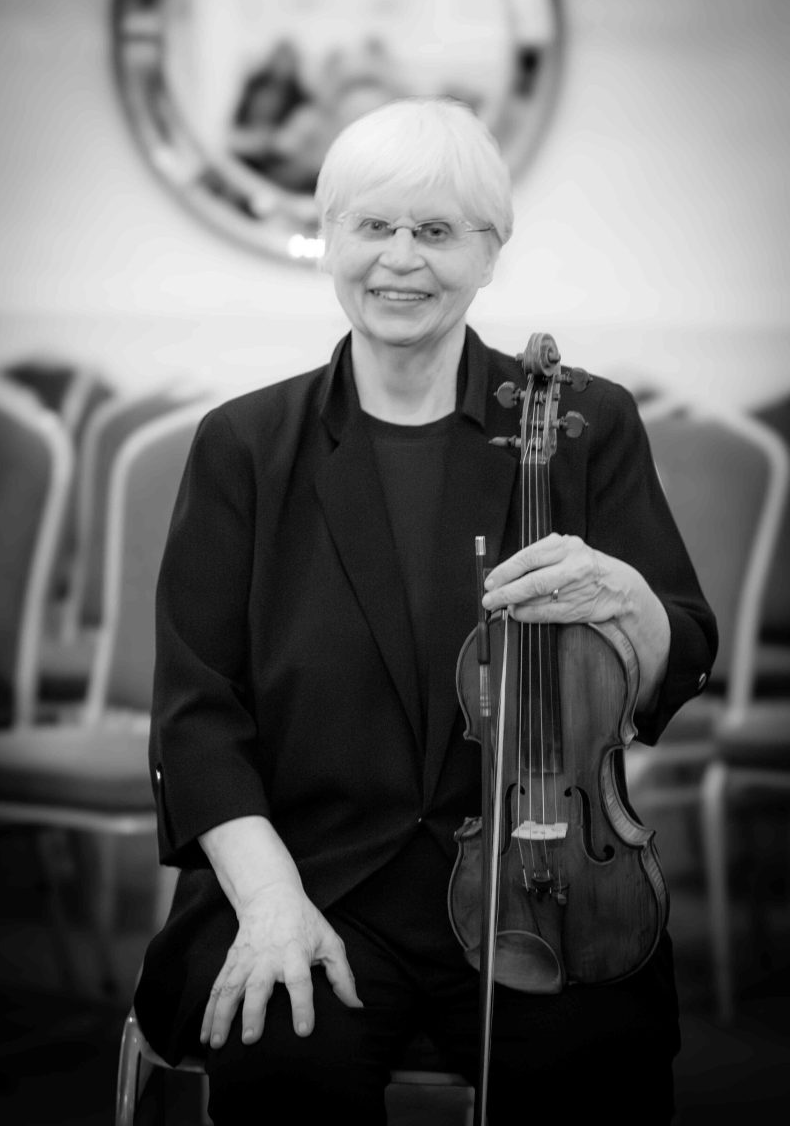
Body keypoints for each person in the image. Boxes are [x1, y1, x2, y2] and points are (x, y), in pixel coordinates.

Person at [133, 96, 717, 1125]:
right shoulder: (244, 446)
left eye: (437, 230)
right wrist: (268, 904)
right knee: (285, 1065)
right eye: (374, 225)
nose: (400, 258)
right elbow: (196, 712)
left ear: (489, 252)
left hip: (542, 872)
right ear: (329, 238)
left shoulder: (586, 424)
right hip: (307, 874)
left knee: (595, 1068)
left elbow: (684, 646)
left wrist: (627, 599)